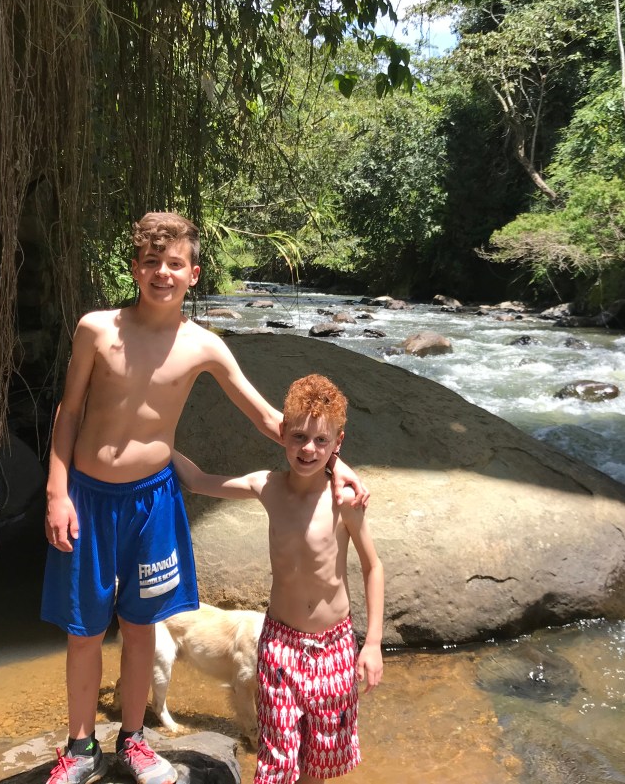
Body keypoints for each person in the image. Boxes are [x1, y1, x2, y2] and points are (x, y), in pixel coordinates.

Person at [40, 213, 368, 784]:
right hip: (88, 499)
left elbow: (271, 420)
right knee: (84, 630)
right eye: (151, 262)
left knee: (142, 627)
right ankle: (80, 746)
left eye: (174, 264)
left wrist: (337, 463)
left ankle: (134, 740)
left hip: (153, 504)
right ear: (135, 268)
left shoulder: (203, 346)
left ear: (193, 274)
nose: (161, 273)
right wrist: (56, 490)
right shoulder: (96, 329)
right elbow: (69, 413)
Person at [172, 373, 384, 784]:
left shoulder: (344, 500)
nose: (309, 449)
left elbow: (373, 566)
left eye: (321, 441)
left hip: (334, 646)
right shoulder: (266, 486)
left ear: (337, 443)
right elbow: (197, 482)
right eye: (299, 437)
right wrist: (158, 443)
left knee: (318, 763)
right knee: (277, 760)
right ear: (282, 433)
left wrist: (372, 643)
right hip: (280, 645)